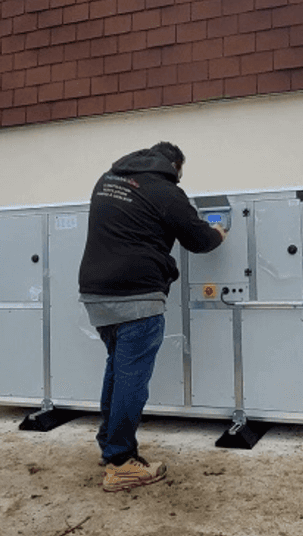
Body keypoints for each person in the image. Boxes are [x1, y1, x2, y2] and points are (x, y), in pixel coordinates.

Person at [78, 141, 225, 493]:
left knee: (117, 368)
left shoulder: (108, 179)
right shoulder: (166, 190)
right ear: (174, 165)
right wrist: (218, 232)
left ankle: (110, 445)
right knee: (132, 380)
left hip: (96, 294)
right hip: (137, 296)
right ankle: (121, 463)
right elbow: (198, 239)